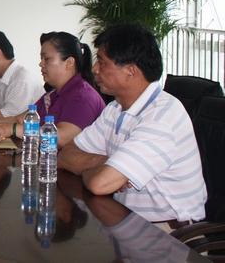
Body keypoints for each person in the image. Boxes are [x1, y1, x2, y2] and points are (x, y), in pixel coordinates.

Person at [58, 24, 207, 224]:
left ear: (131, 70)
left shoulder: (162, 117)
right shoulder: (115, 109)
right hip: (125, 218)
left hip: (169, 231)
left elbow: (99, 184)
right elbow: (65, 155)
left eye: (102, 62)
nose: (94, 69)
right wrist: (107, 163)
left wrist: (96, 170)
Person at [0, 32, 105, 147]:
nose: (41, 64)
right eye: (41, 59)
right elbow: (20, 120)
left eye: (47, 59)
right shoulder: (52, 95)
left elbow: (63, 138)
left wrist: (14, 129)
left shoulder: (82, 96)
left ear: (69, 62)